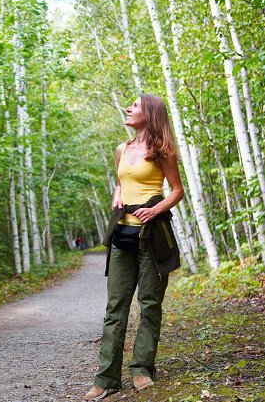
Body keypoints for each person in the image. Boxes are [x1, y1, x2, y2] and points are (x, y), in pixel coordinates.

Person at [83, 94, 184, 401]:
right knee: (116, 307)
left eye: (135, 106)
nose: (129, 109)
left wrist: (154, 210)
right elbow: (121, 181)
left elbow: (177, 191)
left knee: (150, 305)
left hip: (153, 237)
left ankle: (141, 370)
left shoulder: (161, 152)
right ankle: (106, 379)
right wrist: (117, 193)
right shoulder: (121, 149)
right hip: (123, 235)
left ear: (149, 114)